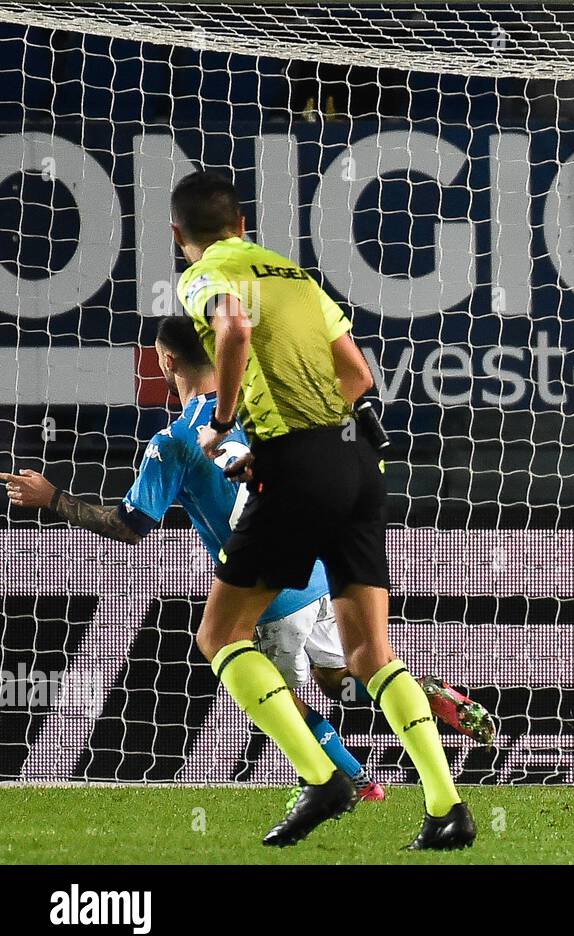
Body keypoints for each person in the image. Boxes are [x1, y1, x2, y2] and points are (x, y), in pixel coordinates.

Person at [1, 317, 494, 802]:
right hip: (319, 572)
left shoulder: (173, 440)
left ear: (164, 360)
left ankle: (356, 784)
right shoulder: (262, 409)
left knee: (282, 700)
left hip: (263, 589)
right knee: (343, 676)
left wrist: (52, 499)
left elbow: (129, 526)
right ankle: (432, 694)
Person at [168, 168, 472, 847]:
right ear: (245, 223)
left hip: (300, 465)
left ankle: (322, 777)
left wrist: (222, 422)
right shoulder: (295, 275)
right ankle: (447, 808)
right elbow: (357, 376)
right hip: (358, 464)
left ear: (179, 235)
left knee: (220, 637)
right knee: (370, 651)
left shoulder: (205, 275)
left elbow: (236, 329)